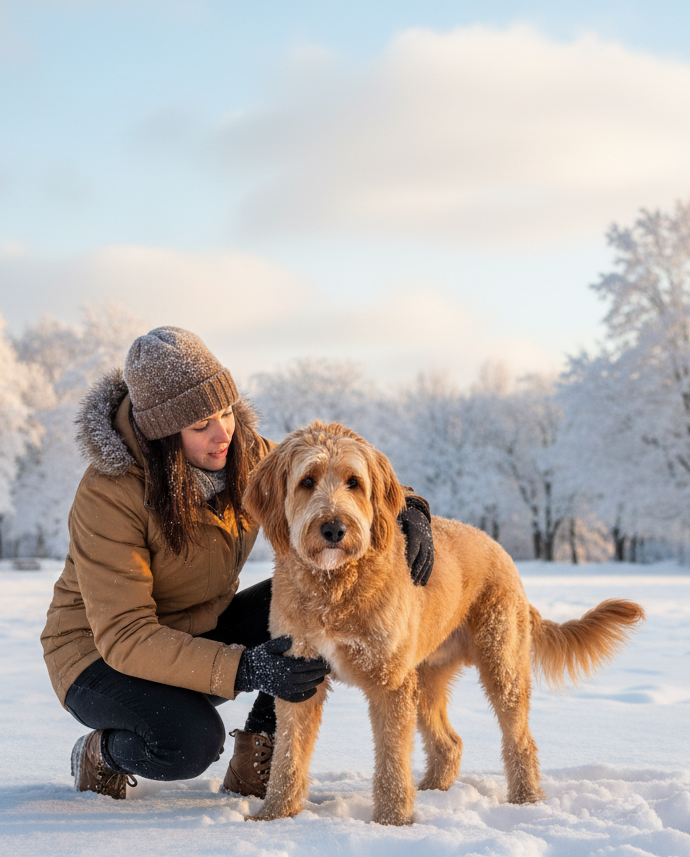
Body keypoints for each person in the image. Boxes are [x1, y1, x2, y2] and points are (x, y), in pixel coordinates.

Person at [41, 327, 434, 799]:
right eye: (200, 425)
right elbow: (125, 634)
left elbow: (338, 468)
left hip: (197, 628)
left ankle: (258, 755)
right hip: (100, 656)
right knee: (188, 744)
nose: (223, 433)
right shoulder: (109, 494)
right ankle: (100, 754)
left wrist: (410, 509)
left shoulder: (243, 456)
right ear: (163, 435)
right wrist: (245, 668)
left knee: (316, 601)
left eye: (226, 412)